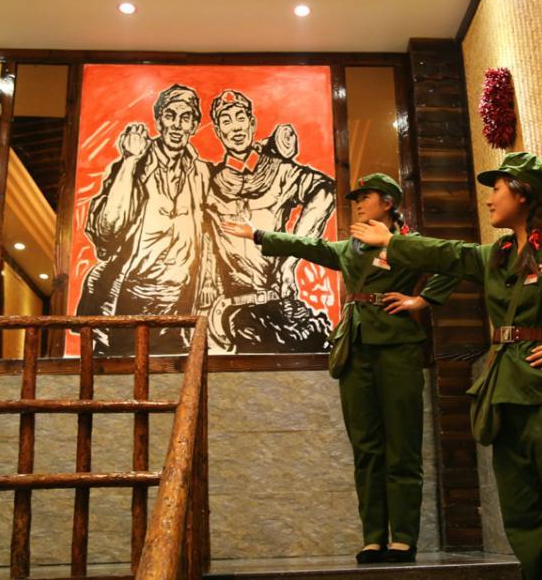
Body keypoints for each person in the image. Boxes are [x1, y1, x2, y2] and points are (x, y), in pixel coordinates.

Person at [350, 153, 542, 579]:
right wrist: (392, 243)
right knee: (525, 521)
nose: (489, 199)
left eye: (497, 188)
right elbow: (448, 254)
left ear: (523, 194)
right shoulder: (497, 255)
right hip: (504, 400)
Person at [221, 173, 459, 563]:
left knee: (402, 447)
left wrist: (423, 301)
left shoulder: (407, 244)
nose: (358, 204)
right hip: (354, 348)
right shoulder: (350, 249)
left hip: (398, 347)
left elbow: (453, 259)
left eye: (365, 197)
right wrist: (258, 235)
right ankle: (372, 536)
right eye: (356, 199)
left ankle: (403, 537)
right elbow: (308, 244)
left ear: (387, 202)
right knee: (366, 447)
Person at [76, 84, 210, 355]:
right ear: (158, 120)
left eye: (185, 118)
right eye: (170, 115)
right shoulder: (134, 164)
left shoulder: (201, 172)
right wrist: (129, 161)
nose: (176, 125)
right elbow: (106, 228)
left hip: (179, 303)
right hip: (129, 296)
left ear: (195, 125)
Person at [201, 90, 336, 353]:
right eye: (226, 120)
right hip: (228, 314)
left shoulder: (280, 171)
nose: (235, 127)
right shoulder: (208, 180)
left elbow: (324, 192)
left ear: (252, 124)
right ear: (217, 131)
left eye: (241, 117)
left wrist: (291, 259)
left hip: (278, 306)